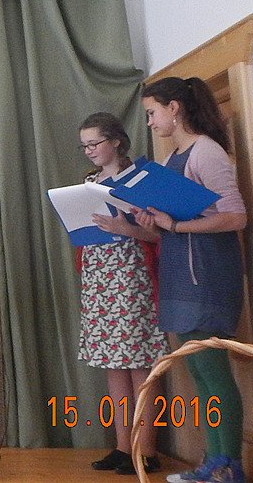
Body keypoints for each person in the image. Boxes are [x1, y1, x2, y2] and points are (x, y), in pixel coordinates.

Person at [132, 77, 247, 483]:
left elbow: (236, 216)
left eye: (152, 112)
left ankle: (229, 466)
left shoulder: (206, 151)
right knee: (199, 373)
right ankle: (212, 462)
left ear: (174, 107)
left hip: (208, 277)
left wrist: (175, 225)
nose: (150, 122)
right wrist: (147, 221)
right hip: (182, 276)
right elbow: (171, 225)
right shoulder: (170, 160)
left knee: (214, 373)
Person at [76, 112, 169, 476]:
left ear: (115, 141)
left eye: (94, 143)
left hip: (132, 278)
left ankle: (146, 451)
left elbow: (162, 234)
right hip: (98, 280)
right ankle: (122, 447)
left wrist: (125, 228)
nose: (89, 151)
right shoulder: (88, 181)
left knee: (140, 366)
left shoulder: (140, 180)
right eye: (84, 145)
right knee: (113, 366)